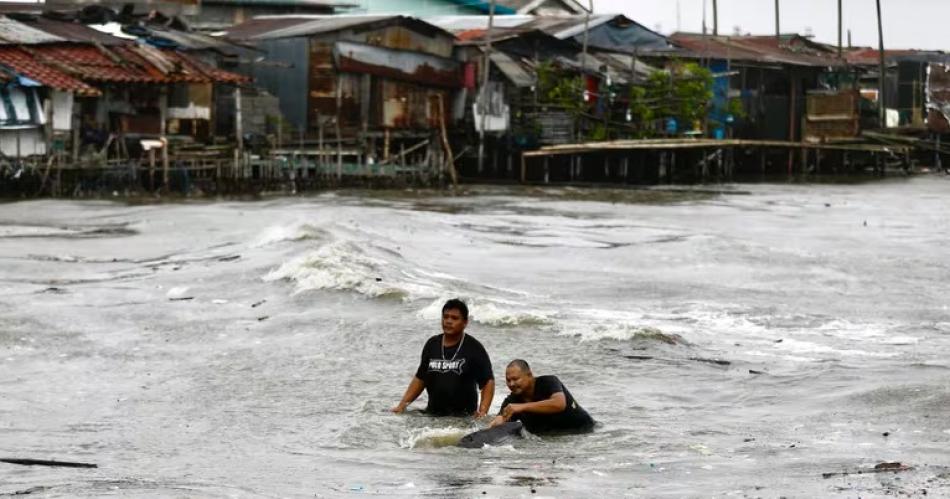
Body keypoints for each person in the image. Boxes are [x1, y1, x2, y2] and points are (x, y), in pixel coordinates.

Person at [392, 299, 494, 417]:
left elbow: (488, 382)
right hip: (432, 415)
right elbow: (420, 378)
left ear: (465, 322)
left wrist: (483, 412)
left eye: (454, 318)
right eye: (445, 317)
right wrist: (402, 405)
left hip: (463, 418)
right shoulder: (432, 344)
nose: (448, 321)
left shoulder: (474, 348)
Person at [490, 359, 594, 434]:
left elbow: (559, 404)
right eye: (508, 380)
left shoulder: (549, 382)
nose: (511, 384)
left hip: (584, 431)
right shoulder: (511, 402)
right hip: (552, 437)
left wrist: (522, 407)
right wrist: (497, 423)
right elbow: (500, 421)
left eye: (515, 379)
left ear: (529, 375)